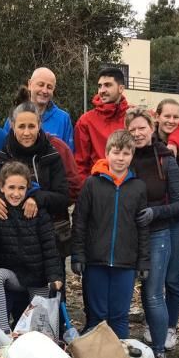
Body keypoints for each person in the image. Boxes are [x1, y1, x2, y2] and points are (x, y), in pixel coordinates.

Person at [125, 107, 179, 358]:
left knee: (153, 294)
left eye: (142, 128)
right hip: (127, 234)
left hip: (157, 232)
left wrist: (155, 212)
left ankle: (159, 350)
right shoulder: (124, 158)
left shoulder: (166, 159)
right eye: (133, 129)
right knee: (128, 292)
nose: (137, 133)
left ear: (152, 128)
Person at [71, 129, 148, 339]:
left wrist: (143, 261)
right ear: (107, 153)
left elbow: (142, 228)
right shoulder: (92, 184)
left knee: (119, 316)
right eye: (116, 153)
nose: (120, 158)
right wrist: (78, 255)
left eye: (125, 154)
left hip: (126, 262)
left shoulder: (138, 187)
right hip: (96, 261)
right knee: (97, 316)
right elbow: (79, 221)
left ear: (132, 155)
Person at [0, 162, 63, 334]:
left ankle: (34, 346)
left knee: (38, 324)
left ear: (28, 188)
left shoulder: (38, 211)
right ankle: (3, 334)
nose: (16, 193)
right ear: (2, 186)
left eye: (21, 188)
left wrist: (54, 276)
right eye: (11, 187)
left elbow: (49, 247)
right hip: (12, 275)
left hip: (37, 275)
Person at [0, 102, 70, 228]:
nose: (26, 133)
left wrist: (37, 199)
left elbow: (63, 197)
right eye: (21, 126)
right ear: (12, 126)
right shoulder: (2, 157)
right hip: (8, 232)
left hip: (46, 231)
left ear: (39, 126)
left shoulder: (51, 156)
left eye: (31, 126)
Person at [73, 67, 129, 180]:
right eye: (100, 86)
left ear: (121, 88)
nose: (101, 90)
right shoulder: (86, 120)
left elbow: (169, 121)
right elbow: (80, 163)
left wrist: (173, 141)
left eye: (107, 85)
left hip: (128, 186)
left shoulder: (133, 116)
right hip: (98, 187)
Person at [23, 67, 74, 151]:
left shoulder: (63, 119)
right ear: (29, 84)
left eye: (49, 87)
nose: (44, 90)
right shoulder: (16, 117)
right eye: (41, 85)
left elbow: (69, 157)